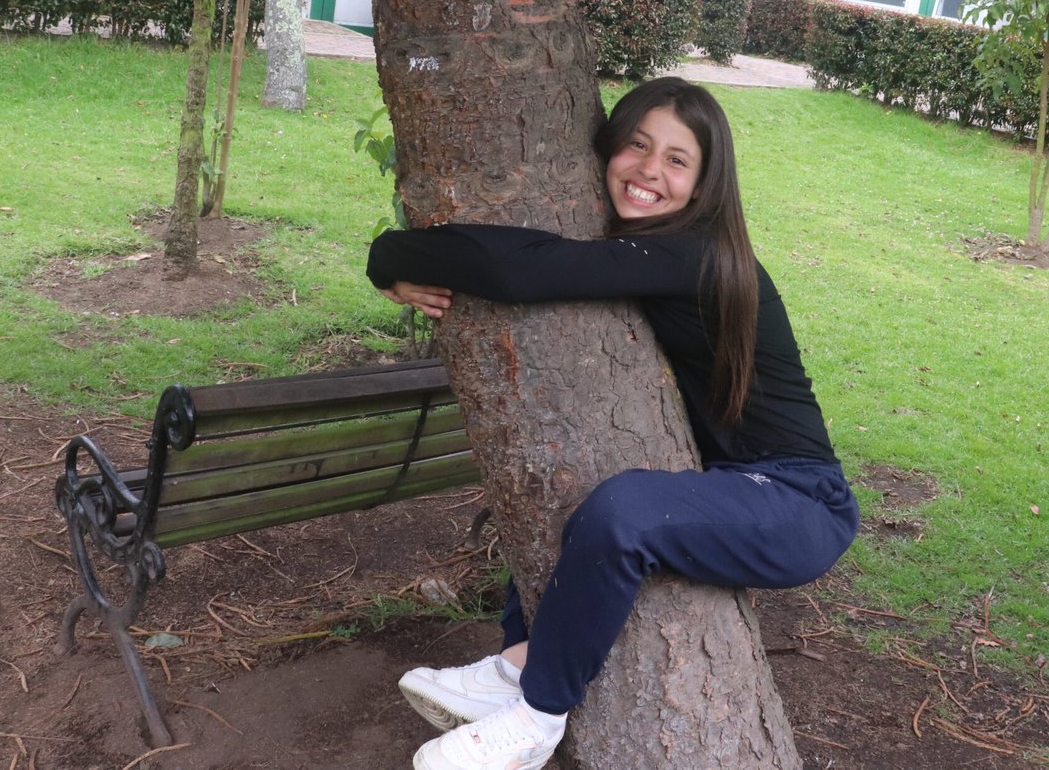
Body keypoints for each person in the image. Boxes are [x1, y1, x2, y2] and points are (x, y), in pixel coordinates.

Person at [366, 77, 858, 770]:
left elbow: (521, 271)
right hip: (740, 484)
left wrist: (387, 256)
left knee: (625, 510)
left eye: (677, 160)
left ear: (705, 185)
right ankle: (513, 664)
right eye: (636, 145)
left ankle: (537, 717)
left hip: (800, 502)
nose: (650, 170)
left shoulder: (693, 255)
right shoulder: (661, 250)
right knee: (580, 498)